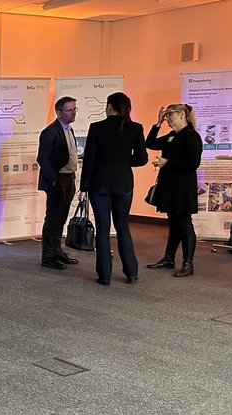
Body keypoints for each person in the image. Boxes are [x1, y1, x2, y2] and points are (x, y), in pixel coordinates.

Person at [78, 92, 148, 286]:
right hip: (124, 184)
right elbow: (142, 159)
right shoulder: (135, 128)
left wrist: (83, 186)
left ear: (109, 107)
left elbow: (89, 160)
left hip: (99, 184)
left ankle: (105, 275)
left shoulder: (97, 128)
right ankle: (131, 272)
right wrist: (125, 161)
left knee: (103, 229)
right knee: (123, 226)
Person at [144, 103, 203, 277]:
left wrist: (167, 163)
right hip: (170, 185)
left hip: (183, 187)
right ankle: (169, 258)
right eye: (166, 115)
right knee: (174, 222)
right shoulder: (173, 135)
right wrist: (157, 123)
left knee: (184, 223)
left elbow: (193, 163)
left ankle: (188, 263)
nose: (168, 119)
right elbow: (150, 142)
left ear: (183, 115)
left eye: (171, 115)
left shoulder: (191, 136)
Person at [37, 96, 81, 270]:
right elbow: (42, 158)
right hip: (57, 180)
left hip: (69, 178)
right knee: (53, 218)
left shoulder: (69, 130)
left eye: (74, 109)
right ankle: (48, 256)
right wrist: (54, 180)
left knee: (61, 217)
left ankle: (56, 251)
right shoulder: (50, 131)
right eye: (69, 110)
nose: (73, 113)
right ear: (59, 112)